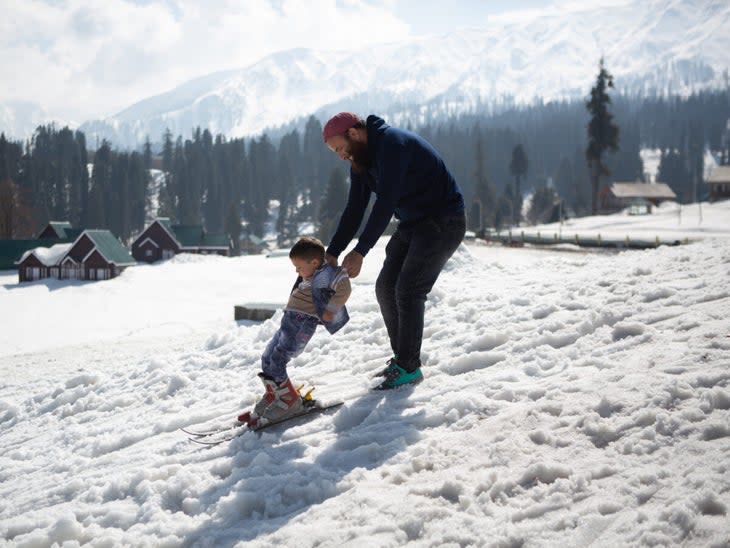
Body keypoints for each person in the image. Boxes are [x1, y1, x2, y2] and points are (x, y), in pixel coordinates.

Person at [322, 112, 466, 390]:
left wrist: (361, 250)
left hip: (443, 220)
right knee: (385, 286)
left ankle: (409, 368)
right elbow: (354, 210)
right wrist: (334, 251)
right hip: (414, 223)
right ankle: (402, 360)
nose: (340, 156)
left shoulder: (392, 145)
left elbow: (385, 203)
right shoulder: (360, 160)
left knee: (409, 289)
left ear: (354, 133)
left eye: (340, 148)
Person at [238, 236, 351, 426]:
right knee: (267, 357)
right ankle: (275, 395)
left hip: (302, 323)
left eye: (299, 267)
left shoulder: (327, 274)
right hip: (290, 320)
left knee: (278, 359)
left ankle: (289, 401)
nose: (297, 271)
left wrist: (331, 309)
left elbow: (345, 286)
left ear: (314, 262)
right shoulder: (311, 274)